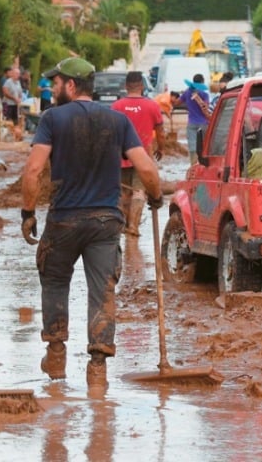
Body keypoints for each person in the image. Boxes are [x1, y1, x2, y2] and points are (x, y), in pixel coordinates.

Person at [20, 57, 162, 391]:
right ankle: (97, 370)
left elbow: (33, 170)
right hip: (105, 221)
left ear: (71, 85)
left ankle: (56, 355)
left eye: (56, 83)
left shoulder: (52, 118)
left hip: (64, 219)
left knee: (54, 281)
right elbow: (146, 167)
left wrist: (28, 212)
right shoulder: (118, 120)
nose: (53, 88)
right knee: (103, 291)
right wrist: (155, 196)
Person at [111, 71, 165, 236]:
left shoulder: (116, 106)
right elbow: (160, 132)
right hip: (143, 158)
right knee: (139, 191)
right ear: (142, 86)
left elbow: (110, 132)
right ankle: (133, 226)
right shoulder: (152, 106)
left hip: (120, 157)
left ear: (126, 86)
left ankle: (121, 225)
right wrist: (161, 148)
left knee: (122, 192)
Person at [179, 73, 211, 164]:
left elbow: (177, 103)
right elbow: (206, 108)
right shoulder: (204, 94)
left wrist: (188, 103)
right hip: (203, 123)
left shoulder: (187, 92)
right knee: (204, 145)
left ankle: (193, 165)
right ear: (202, 82)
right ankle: (203, 165)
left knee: (192, 146)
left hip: (191, 123)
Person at [2, 67, 24, 140]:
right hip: (8, 104)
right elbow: (5, 92)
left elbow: (20, 92)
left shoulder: (18, 82)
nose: (18, 75)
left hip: (15, 104)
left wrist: (20, 97)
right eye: (16, 73)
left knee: (15, 120)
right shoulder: (8, 82)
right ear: (13, 74)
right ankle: (7, 136)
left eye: (18, 74)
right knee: (8, 120)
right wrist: (14, 98)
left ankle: (15, 136)